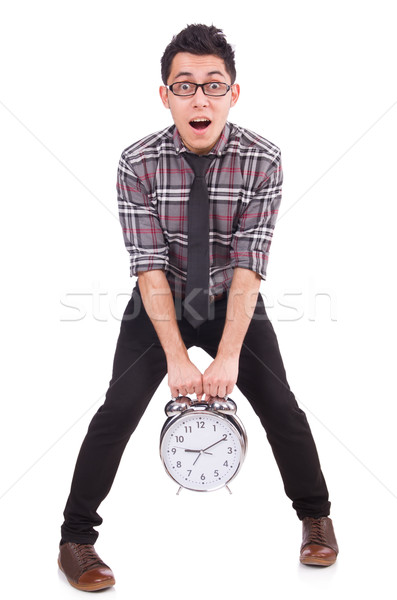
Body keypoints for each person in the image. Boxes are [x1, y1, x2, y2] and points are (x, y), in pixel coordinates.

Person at [58, 23, 338, 591]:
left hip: (229, 296)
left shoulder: (262, 159)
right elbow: (148, 265)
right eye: (184, 86)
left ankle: (316, 518)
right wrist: (177, 357)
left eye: (213, 85)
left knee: (282, 407)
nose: (200, 98)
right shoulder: (137, 162)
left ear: (234, 93)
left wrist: (228, 352)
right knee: (118, 411)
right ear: (165, 96)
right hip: (159, 300)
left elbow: (249, 261)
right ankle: (75, 539)